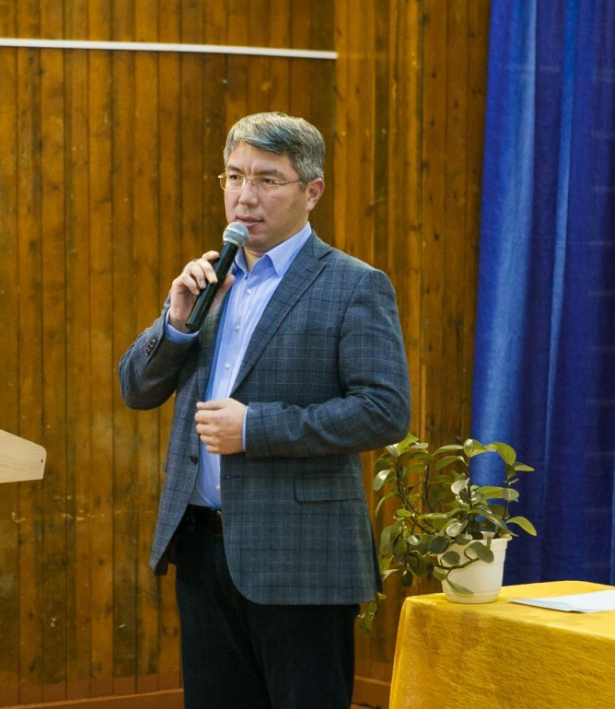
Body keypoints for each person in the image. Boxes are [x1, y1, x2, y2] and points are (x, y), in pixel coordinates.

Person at [118, 112, 412, 709]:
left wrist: (255, 427)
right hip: (203, 547)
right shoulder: (209, 281)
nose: (244, 197)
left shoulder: (353, 285)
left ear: (312, 191)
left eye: (268, 180)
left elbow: (383, 410)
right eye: (234, 176)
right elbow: (136, 389)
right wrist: (176, 321)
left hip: (301, 557)